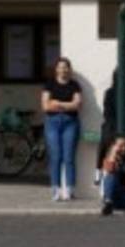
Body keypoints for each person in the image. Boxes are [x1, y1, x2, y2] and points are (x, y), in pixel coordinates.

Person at [41, 57, 82, 201]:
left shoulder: (74, 85)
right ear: (56, 69)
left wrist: (57, 103)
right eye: (60, 67)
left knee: (69, 157)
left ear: (69, 70)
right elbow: (45, 106)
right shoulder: (49, 84)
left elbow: (77, 104)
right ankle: (55, 189)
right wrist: (67, 104)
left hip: (70, 122)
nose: (63, 70)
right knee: (55, 156)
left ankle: (69, 189)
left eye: (66, 67)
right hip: (52, 122)